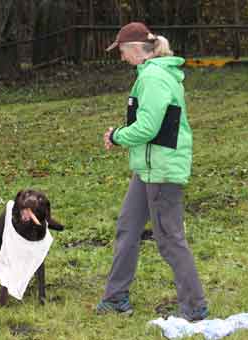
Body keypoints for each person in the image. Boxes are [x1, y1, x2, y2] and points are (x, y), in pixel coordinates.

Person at [96, 22, 208, 321]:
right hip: (146, 169)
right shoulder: (151, 74)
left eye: (121, 51)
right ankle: (116, 298)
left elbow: (148, 127)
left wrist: (117, 135)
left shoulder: (155, 78)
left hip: (162, 171)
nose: (121, 58)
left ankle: (195, 307)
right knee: (128, 228)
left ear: (134, 49)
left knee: (170, 239)